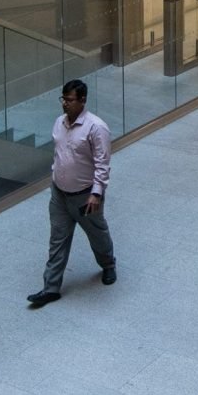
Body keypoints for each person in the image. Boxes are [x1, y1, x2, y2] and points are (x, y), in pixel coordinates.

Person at [30, 78, 114, 309]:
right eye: (63, 99)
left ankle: (108, 265)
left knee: (97, 234)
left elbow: (103, 164)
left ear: (83, 101)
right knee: (57, 239)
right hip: (59, 194)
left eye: (69, 100)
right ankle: (50, 289)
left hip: (85, 196)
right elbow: (59, 154)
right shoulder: (59, 123)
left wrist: (96, 194)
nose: (64, 104)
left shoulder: (96, 128)